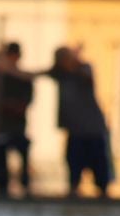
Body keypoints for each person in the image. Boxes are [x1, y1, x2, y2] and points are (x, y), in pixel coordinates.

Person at [46, 45, 112, 199]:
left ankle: (102, 189)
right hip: (75, 129)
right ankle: (74, 187)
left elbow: (86, 76)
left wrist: (75, 60)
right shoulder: (61, 74)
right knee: (74, 160)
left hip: (92, 127)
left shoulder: (83, 69)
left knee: (98, 161)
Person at [0, 43, 34, 199]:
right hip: (1, 126)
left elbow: (22, 105)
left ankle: (24, 183)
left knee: (22, 151)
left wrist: (4, 104)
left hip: (17, 126)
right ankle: (1, 185)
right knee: (0, 154)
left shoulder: (23, 79)